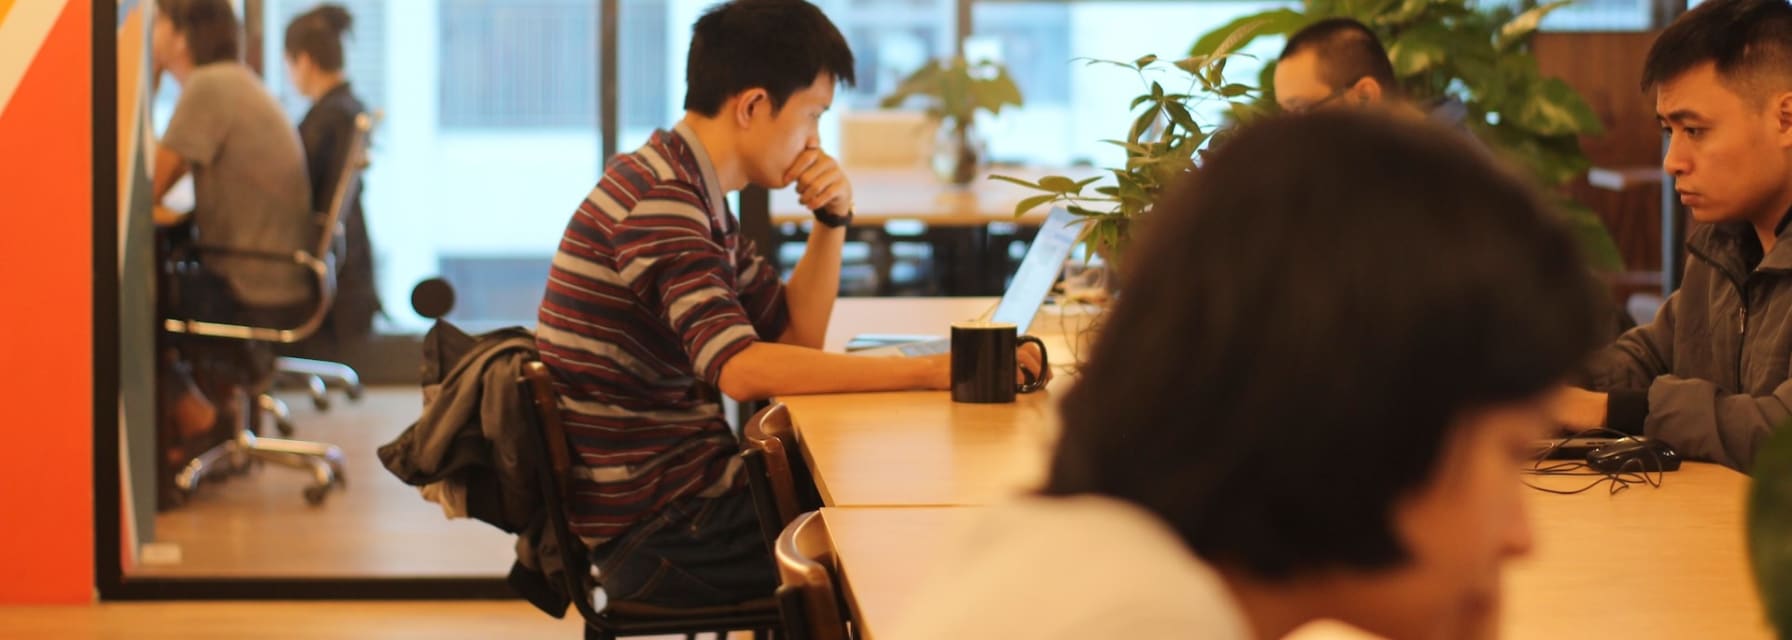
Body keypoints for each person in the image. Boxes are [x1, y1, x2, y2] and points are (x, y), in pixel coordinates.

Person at [893, 110, 1604, 639]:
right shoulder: (1146, 619)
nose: (1520, 536)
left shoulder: (1082, 555)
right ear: (1367, 419)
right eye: (1510, 453)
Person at [533, 0, 1045, 608]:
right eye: (812, 115)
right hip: (662, 534)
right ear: (752, 106)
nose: (815, 140)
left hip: (683, 504)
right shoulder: (663, 202)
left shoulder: (687, 187)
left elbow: (795, 338)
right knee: (900, 538)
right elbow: (744, 369)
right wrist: (927, 371)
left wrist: (832, 222)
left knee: (892, 498)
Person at [1556, 0, 1792, 471]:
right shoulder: (1725, 244)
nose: (1672, 161)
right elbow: (1650, 356)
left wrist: (1606, 410)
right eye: (1670, 131)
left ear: (1786, 118)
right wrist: (1534, 382)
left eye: (1695, 130)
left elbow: (1779, 432)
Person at [150, 0, 313, 459]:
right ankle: (206, 413)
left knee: (132, 306)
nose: (148, 32)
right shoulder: (234, 80)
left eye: (156, 22)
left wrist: (144, 78)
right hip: (276, 272)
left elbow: (149, 188)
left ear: (181, 36)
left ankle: (197, 414)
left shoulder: (209, 87)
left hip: (251, 283)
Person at [284, 3, 382, 352]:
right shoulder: (350, 108)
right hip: (350, 267)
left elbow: (292, 188)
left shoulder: (326, 119)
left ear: (304, 61)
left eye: (289, 65)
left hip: (330, 271)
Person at [1272, 18, 1466, 126]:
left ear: (1365, 96)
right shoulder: (1377, 160)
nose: (1288, 131)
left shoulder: (1450, 174)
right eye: (1285, 114)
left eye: (1300, 111)